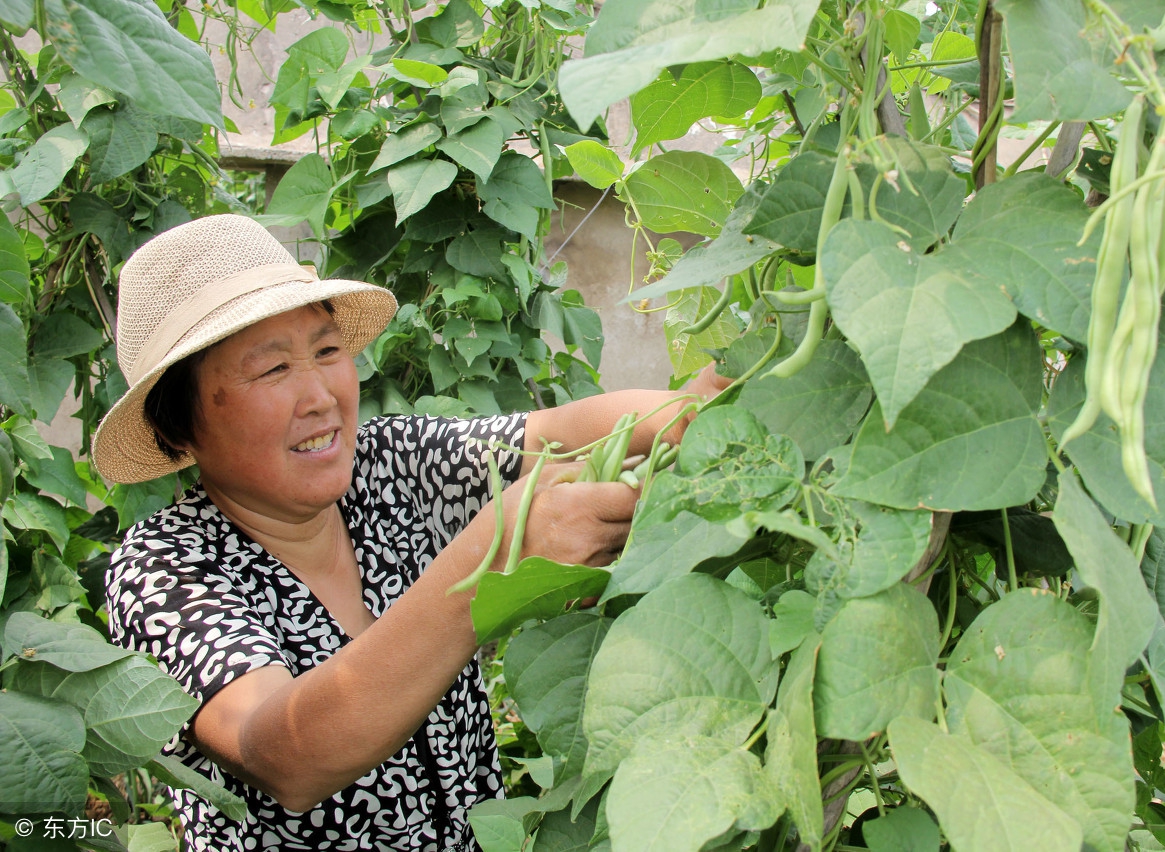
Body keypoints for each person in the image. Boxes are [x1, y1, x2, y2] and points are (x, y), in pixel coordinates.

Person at [93, 214, 722, 851]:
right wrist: (493, 558)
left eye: (327, 352)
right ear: (177, 426)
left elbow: (556, 433)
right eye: (273, 369)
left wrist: (684, 413)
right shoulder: (163, 568)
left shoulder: (389, 464)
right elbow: (283, 753)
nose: (321, 395)